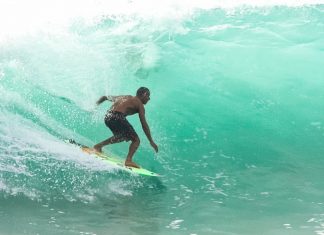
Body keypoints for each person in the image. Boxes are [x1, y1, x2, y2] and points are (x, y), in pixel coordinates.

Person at [93, 87, 158, 168]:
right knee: (136, 140)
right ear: (144, 94)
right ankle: (128, 160)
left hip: (108, 116)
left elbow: (105, 97)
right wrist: (151, 141)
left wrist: (94, 106)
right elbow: (144, 124)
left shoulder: (125, 97)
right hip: (117, 117)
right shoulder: (139, 104)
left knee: (122, 137)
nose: (149, 99)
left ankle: (98, 146)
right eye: (148, 96)